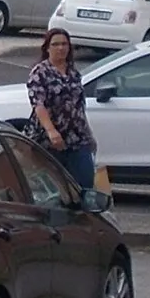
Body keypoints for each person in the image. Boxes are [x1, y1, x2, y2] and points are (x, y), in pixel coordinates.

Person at [27, 28, 98, 191]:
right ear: (47, 48)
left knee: (85, 183)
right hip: (50, 141)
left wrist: (89, 134)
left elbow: (79, 107)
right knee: (55, 188)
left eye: (64, 44)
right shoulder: (40, 72)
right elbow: (38, 104)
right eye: (56, 44)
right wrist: (51, 131)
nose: (61, 48)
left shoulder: (74, 73)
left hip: (77, 138)